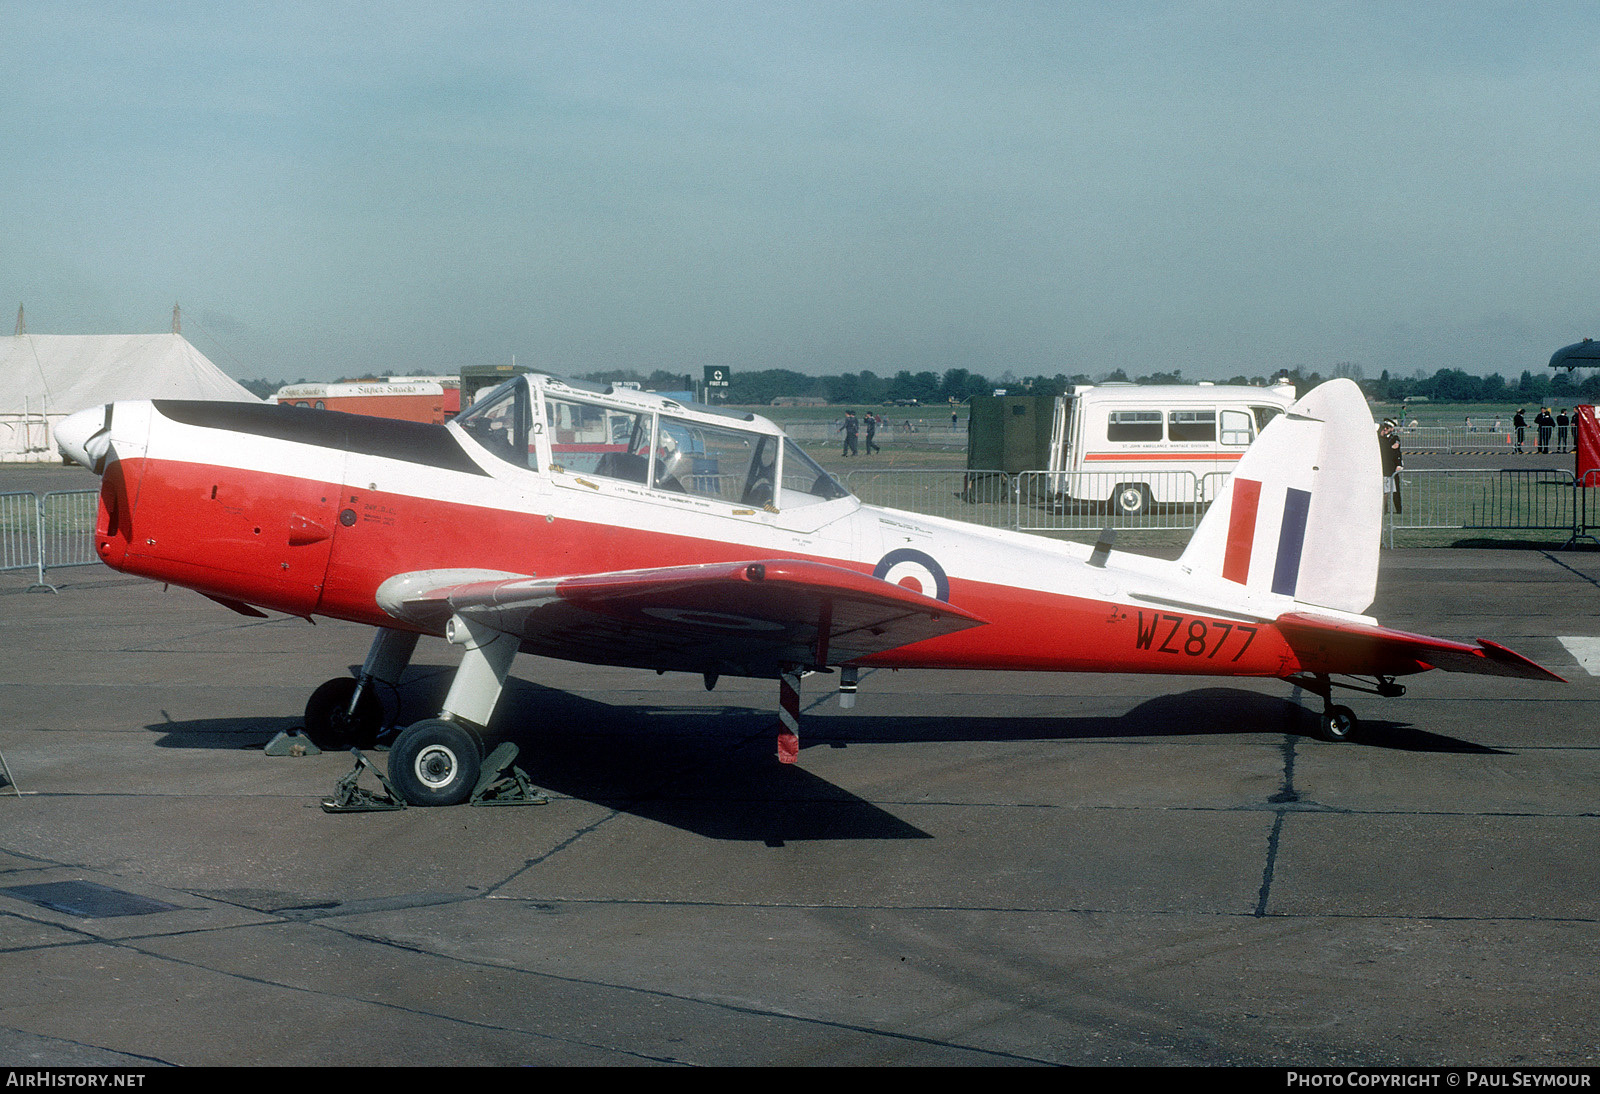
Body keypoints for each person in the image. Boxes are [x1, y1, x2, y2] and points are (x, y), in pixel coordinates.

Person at [1378, 419, 1403, 514]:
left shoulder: (1394, 438)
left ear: (1392, 429)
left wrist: (1399, 465)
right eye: (1384, 427)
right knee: (1384, 490)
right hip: (1384, 466)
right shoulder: (1381, 438)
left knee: (1396, 490)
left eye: (1387, 428)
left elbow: (1396, 451)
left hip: (1392, 466)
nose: (1385, 429)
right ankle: (1384, 510)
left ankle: (1398, 509)